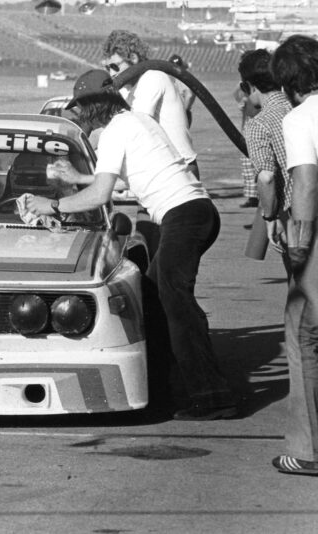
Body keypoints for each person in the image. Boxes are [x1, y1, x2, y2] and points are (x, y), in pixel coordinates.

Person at [27, 70, 237, 420]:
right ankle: (178, 385)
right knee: (159, 298)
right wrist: (78, 177)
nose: (81, 117)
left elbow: (100, 194)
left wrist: (52, 205)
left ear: (96, 106)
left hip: (182, 216)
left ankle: (212, 395)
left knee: (175, 303)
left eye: (82, 109)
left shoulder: (114, 132)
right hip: (197, 212)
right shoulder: (137, 121)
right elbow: (129, 174)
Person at [269, 35, 318, 476]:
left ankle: (307, 450)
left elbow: (304, 181)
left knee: (305, 337)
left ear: (287, 84)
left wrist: (299, 245)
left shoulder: (301, 117)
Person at [102, 30, 199, 178]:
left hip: (180, 171)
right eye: (107, 68)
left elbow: (134, 127)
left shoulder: (153, 77)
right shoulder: (128, 88)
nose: (112, 74)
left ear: (133, 58)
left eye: (115, 67)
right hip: (160, 169)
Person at [237, 49, 292, 257]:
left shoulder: (259, 124)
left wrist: (269, 218)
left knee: (301, 283)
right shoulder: (300, 109)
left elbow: (266, 177)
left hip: (295, 213)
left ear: (247, 86)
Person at [235, 83, 263, 209]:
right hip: (248, 130)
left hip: (255, 130)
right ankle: (253, 197)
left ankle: (259, 197)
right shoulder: (247, 98)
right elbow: (236, 94)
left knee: (258, 165)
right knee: (248, 166)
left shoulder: (258, 97)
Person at [168, 54, 196, 127]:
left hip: (181, 114)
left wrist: (183, 112)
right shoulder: (185, 74)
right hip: (185, 113)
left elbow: (189, 95)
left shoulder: (181, 78)